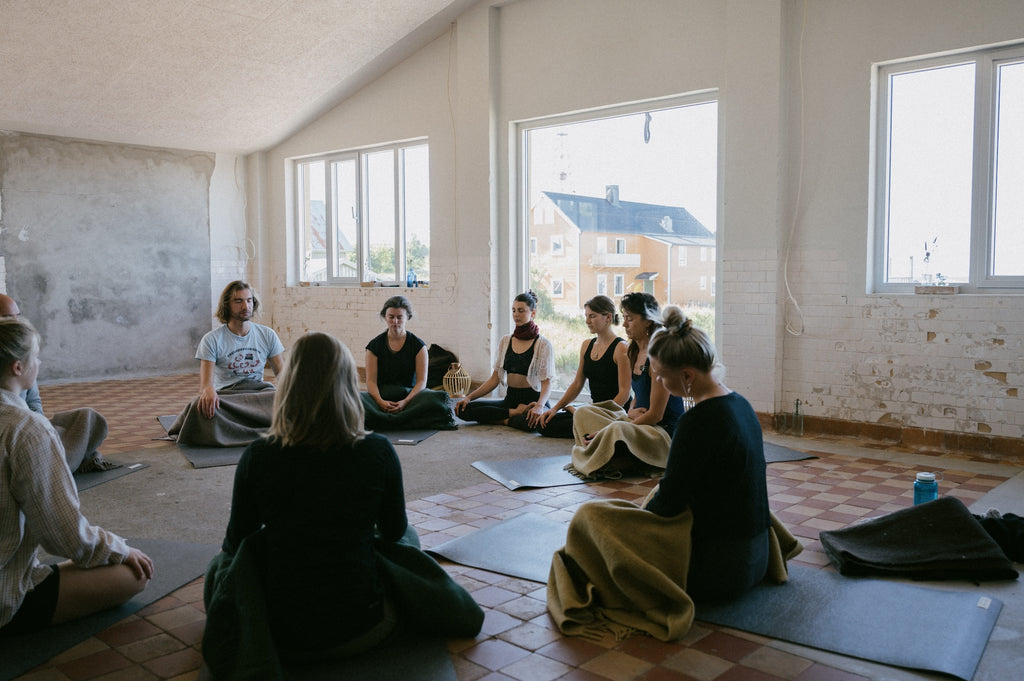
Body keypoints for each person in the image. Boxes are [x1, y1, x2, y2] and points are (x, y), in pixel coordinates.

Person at [202, 332, 482, 674]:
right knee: (408, 536)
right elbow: (394, 532)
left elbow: (235, 541)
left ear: (289, 386)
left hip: (279, 632)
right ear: (348, 384)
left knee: (223, 564)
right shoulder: (377, 450)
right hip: (365, 627)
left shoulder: (259, 456)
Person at [547, 307, 801, 642]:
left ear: (688, 376)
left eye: (661, 376)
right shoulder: (741, 404)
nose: (659, 383)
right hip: (756, 560)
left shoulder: (698, 423)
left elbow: (670, 503)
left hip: (718, 573)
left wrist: (631, 529)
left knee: (589, 517)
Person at [0, 317, 154, 637]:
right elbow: (63, 536)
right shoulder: (26, 430)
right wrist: (120, 549)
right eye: (36, 355)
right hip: (4, 593)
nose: (39, 362)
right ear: (18, 367)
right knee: (132, 575)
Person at [567, 292, 685, 478]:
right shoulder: (633, 351)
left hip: (662, 432)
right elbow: (637, 395)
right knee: (583, 413)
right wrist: (629, 412)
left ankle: (609, 458)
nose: (624, 324)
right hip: (640, 423)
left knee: (616, 429)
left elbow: (656, 414)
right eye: (624, 318)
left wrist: (614, 427)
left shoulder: (658, 355)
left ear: (647, 321)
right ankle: (611, 456)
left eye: (630, 319)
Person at [0, 293, 113, 473]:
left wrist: (38, 424)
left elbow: (34, 402)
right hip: (16, 432)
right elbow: (59, 502)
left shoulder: (22, 355)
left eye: (17, 316)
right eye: (7, 317)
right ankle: (62, 464)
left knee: (86, 418)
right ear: (17, 368)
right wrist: (34, 429)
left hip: (27, 426)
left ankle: (62, 456)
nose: (16, 321)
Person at [167, 281, 285, 446]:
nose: (246, 306)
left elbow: (284, 377)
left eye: (249, 300)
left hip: (258, 396)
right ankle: (264, 429)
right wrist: (208, 391)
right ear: (227, 305)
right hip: (228, 398)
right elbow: (206, 386)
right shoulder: (212, 339)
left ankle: (233, 431)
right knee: (197, 407)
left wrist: (292, 397)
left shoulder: (267, 335)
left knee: (282, 401)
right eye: (239, 301)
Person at [455, 290, 555, 431]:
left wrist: (539, 406)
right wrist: (468, 398)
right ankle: (512, 416)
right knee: (462, 409)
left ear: (533, 313)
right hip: (511, 401)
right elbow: (494, 379)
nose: (516, 314)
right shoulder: (506, 341)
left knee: (533, 423)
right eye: (513, 310)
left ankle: (502, 418)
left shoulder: (543, 344)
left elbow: (547, 383)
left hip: (531, 401)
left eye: (521, 310)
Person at [535, 295, 630, 438]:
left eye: (592, 316)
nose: (587, 321)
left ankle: (596, 429)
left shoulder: (621, 348)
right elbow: (578, 383)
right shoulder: (587, 345)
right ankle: (589, 427)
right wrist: (555, 408)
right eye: (586, 316)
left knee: (582, 420)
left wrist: (597, 414)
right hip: (592, 410)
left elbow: (624, 393)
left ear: (608, 317)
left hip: (614, 412)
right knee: (544, 423)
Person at [361, 296, 455, 431]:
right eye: (391, 317)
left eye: (399, 317)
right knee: (356, 398)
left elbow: (421, 382)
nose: (395, 321)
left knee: (436, 397)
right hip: (382, 395)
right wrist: (380, 402)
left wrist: (405, 402)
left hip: (410, 396)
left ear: (407, 318)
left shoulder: (418, 346)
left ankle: (383, 420)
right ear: (384, 317)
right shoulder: (374, 346)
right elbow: (370, 382)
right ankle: (402, 420)